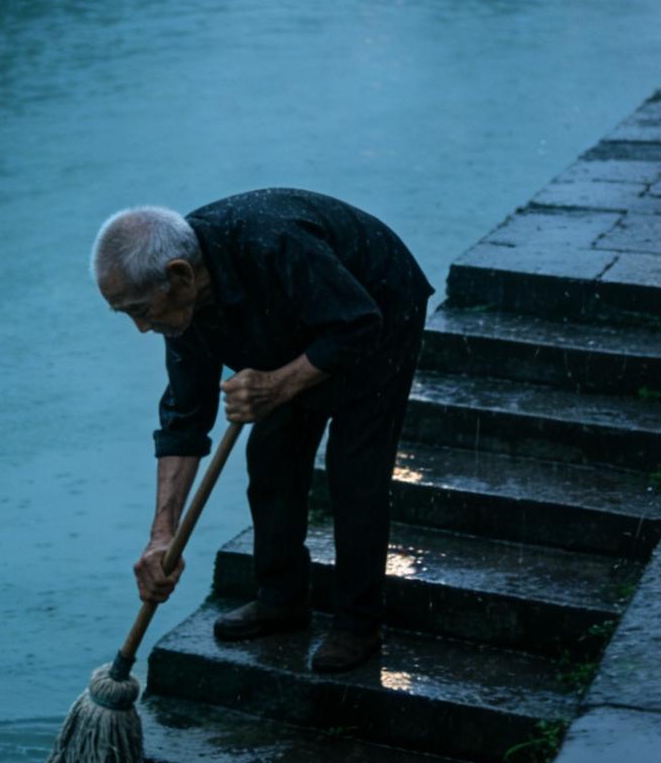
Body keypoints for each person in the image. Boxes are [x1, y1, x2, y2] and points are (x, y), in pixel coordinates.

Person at [93, 189, 434, 674]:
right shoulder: (180, 310)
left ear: (180, 276)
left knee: (355, 472)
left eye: (140, 310)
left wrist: (277, 384)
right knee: (272, 459)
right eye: (126, 312)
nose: (142, 329)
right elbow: (185, 417)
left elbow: (357, 324)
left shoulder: (273, 243)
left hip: (375, 308)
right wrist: (161, 534)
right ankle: (282, 599)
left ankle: (358, 623)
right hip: (285, 324)